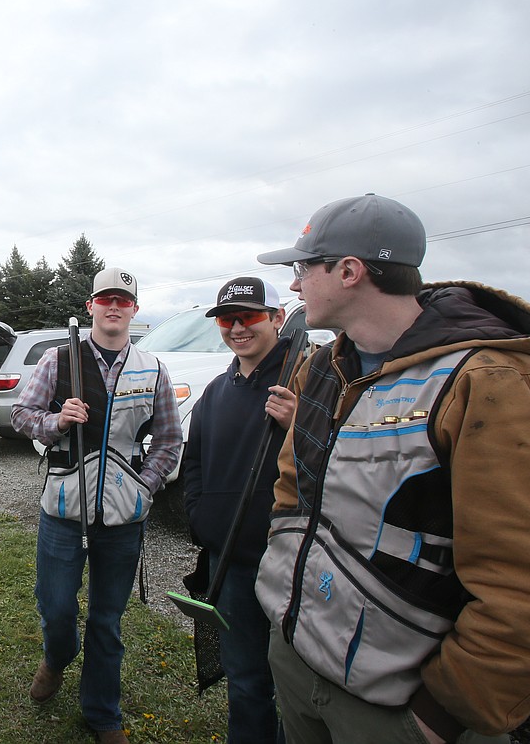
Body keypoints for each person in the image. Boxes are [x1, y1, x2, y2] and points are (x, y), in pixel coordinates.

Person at [253, 193, 530, 743]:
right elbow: (292, 493)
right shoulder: (324, 366)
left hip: (400, 709)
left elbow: (525, 584)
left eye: (302, 268)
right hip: (300, 662)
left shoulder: (487, 381)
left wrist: (442, 714)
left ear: (348, 271)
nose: (293, 286)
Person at [10, 267, 182, 744]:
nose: (113, 306)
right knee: (58, 608)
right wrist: (58, 422)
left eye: (122, 300)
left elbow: (169, 442)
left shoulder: (152, 369)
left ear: (134, 310)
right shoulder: (58, 360)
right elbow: (24, 415)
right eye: (104, 298)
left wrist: (143, 488)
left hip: (124, 520)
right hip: (64, 512)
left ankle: (103, 712)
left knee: (107, 621)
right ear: (90, 306)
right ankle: (56, 658)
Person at [183, 276, 297, 744]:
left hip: (290, 565)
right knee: (246, 681)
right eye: (228, 320)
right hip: (229, 565)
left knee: (297, 688)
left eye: (248, 317)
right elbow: (195, 460)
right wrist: (199, 515)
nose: (237, 328)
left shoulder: (304, 381)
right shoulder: (216, 389)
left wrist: (299, 424)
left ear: (277, 318)